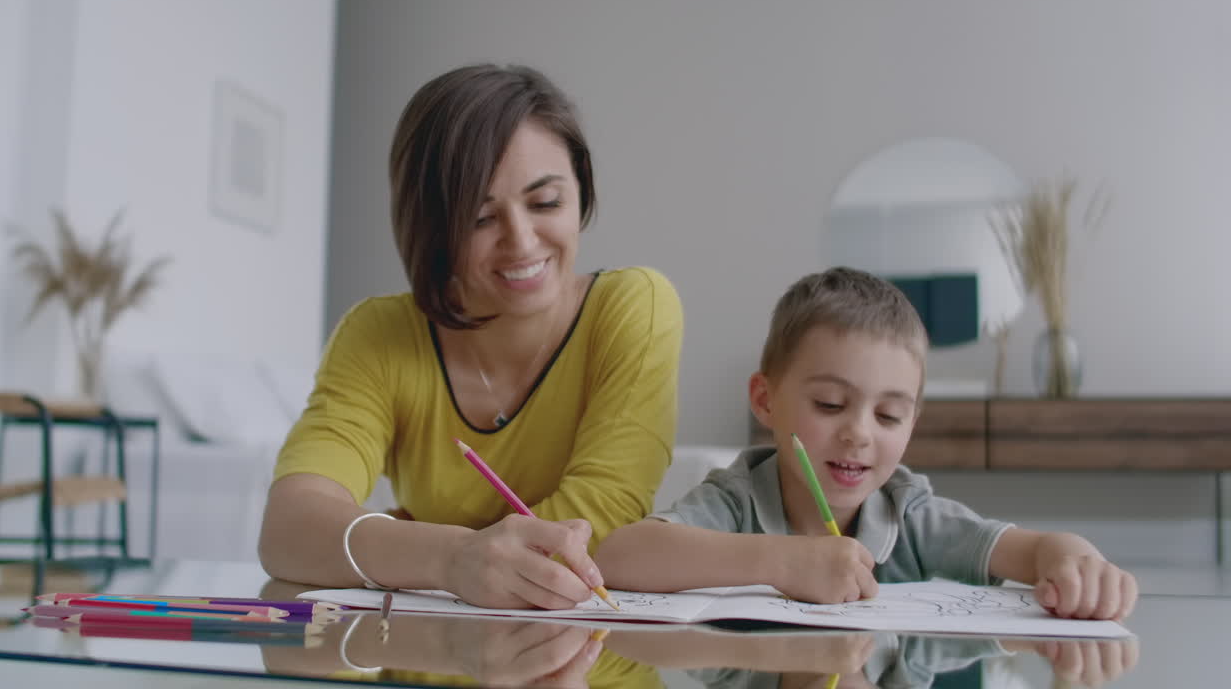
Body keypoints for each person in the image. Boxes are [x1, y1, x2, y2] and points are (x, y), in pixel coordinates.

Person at [259, 64, 683, 610]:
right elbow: (289, 527)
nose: (523, 241)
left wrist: (405, 548)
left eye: (546, 202)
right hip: (430, 653)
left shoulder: (635, 307)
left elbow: (600, 519)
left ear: (580, 189)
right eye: (481, 218)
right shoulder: (378, 334)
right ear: (432, 228)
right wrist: (450, 559)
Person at [596, 267, 1136, 621]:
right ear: (764, 400)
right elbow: (620, 556)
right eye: (830, 404)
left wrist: (1076, 561)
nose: (858, 433)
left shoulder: (909, 512)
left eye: (889, 414)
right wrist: (783, 562)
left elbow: (1037, 549)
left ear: (913, 422)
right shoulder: (737, 498)